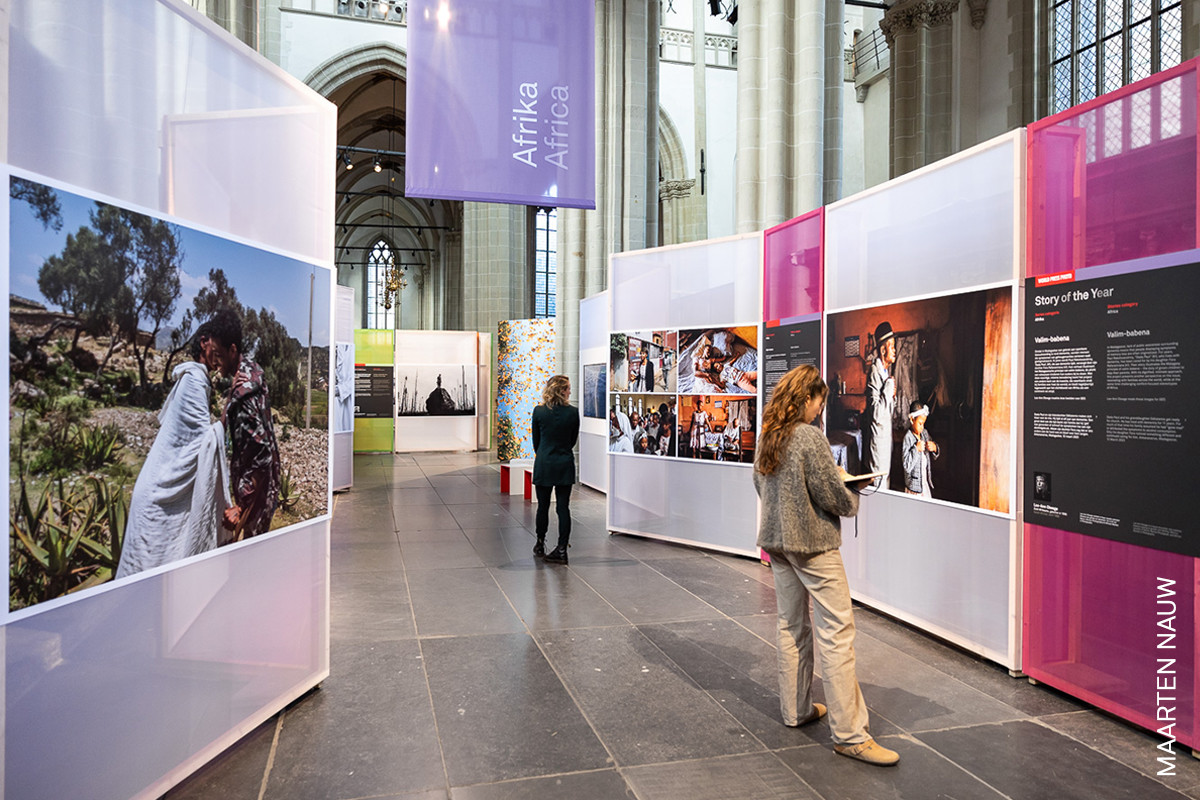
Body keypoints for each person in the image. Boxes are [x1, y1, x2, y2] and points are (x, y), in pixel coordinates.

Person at [754, 364, 899, 767]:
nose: (821, 409)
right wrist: (852, 486)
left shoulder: (770, 435)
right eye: (820, 401)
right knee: (837, 631)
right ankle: (851, 735)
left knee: (790, 626)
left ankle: (795, 710)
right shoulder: (809, 438)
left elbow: (760, 484)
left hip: (777, 543)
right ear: (806, 399)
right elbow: (833, 498)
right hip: (813, 547)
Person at [116, 336, 230, 579]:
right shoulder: (193, 382)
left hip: (158, 491)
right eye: (216, 344)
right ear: (203, 342)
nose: (219, 351)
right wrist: (225, 415)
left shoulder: (197, 379)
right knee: (145, 573)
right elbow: (201, 444)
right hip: (157, 500)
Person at [201, 309, 282, 540]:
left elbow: (261, 454)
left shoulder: (243, 400)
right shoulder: (252, 370)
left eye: (217, 354)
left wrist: (242, 505)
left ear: (232, 349)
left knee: (250, 556)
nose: (214, 361)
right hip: (265, 487)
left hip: (255, 497)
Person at [531, 375, 580, 564]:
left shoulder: (539, 411)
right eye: (568, 388)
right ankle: (561, 548)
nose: (570, 391)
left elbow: (536, 441)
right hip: (564, 464)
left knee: (542, 507)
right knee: (563, 508)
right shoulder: (573, 413)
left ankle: (540, 542)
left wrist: (545, 453)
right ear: (561, 390)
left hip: (544, 463)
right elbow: (572, 440)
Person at [862, 321, 897, 483]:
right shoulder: (875, 372)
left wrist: (892, 396)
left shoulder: (884, 371)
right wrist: (889, 387)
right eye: (892, 347)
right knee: (879, 487)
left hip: (884, 441)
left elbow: (888, 409)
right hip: (878, 443)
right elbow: (876, 413)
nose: (895, 350)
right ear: (883, 349)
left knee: (885, 483)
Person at [902, 401, 939, 497]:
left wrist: (934, 448)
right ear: (912, 420)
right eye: (920, 423)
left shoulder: (925, 434)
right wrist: (916, 449)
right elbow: (906, 466)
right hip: (914, 487)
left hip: (924, 483)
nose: (922, 427)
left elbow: (934, 450)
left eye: (924, 424)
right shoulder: (908, 438)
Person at [334, 343, 354, 432]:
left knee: (346, 425)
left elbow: (353, 379)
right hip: (336, 398)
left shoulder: (352, 350)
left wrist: (340, 390)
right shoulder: (335, 345)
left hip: (347, 396)